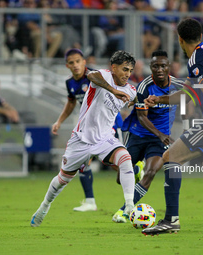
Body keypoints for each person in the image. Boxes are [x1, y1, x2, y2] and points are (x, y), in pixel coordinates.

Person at [142, 18, 203, 235]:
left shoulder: (198, 59)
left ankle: (171, 220)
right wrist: (158, 100)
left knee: (170, 157)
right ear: (201, 36)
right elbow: (188, 93)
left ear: (179, 39)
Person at [30, 50, 137, 227]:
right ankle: (44, 206)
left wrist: (145, 102)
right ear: (113, 67)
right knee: (62, 179)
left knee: (125, 158)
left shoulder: (130, 90)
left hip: (105, 138)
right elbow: (91, 75)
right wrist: (113, 91)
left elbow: (137, 100)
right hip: (81, 139)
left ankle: (129, 206)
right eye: (124, 69)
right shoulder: (102, 75)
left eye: (130, 71)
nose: (127, 74)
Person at [111, 50, 184, 223]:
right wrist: (160, 134)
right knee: (121, 178)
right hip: (139, 134)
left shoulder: (178, 86)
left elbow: (190, 98)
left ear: (169, 68)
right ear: (150, 68)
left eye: (163, 66)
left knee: (151, 172)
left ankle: (125, 211)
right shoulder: (144, 87)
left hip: (160, 140)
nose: (159, 69)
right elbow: (142, 117)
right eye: (155, 66)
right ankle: (136, 169)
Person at [52, 48, 99, 212]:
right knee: (83, 162)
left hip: (107, 124)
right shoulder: (70, 83)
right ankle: (90, 201)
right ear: (67, 66)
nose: (75, 65)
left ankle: (136, 169)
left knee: (115, 163)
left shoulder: (94, 77)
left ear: (84, 62)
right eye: (71, 63)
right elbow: (71, 103)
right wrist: (59, 121)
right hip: (89, 127)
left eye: (78, 61)